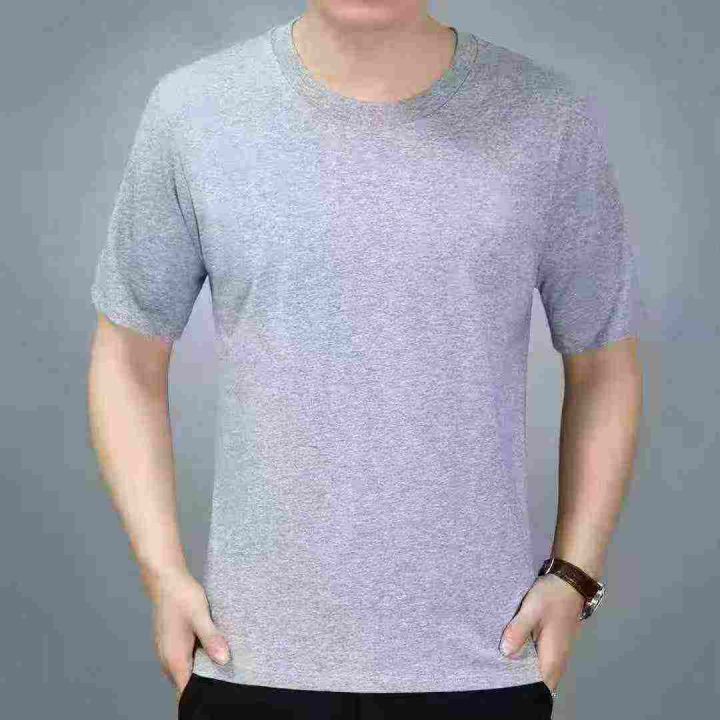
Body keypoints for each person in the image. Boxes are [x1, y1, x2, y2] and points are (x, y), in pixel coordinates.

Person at [87, 2, 643, 718]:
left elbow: (604, 366)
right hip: (247, 658)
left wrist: (575, 576)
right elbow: (127, 358)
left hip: (483, 663)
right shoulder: (193, 111)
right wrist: (162, 574)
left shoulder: (548, 118)